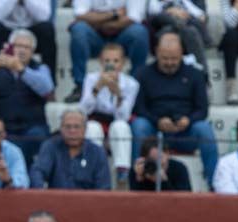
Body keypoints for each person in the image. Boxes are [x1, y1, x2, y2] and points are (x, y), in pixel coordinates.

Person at [130, 32, 217, 185]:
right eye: (165, 58)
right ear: (156, 52)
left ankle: (215, 183)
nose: (169, 62)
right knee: (139, 125)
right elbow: (138, 108)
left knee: (204, 129)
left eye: (174, 58)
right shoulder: (142, 74)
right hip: (154, 133)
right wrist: (157, 121)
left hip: (185, 131)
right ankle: (137, 177)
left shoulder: (195, 74)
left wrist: (188, 120)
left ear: (182, 53)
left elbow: (202, 110)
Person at [0, 27, 52, 165]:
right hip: (2, 128)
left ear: (32, 52)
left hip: (32, 126)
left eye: (27, 47)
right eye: (18, 46)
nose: (22, 50)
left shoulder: (40, 68)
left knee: (34, 138)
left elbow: (47, 89)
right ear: (10, 47)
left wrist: (21, 70)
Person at [65, 0, 150, 104]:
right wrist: (114, 14)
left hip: (122, 35)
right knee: (79, 30)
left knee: (139, 32)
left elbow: (133, 17)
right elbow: (80, 15)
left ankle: (135, 85)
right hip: (95, 36)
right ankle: (80, 85)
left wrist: (97, 18)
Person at [79, 42, 138, 179]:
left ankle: (122, 172)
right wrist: (97, 88)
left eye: (116, 61)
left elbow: (123, 116)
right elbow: (82, 111)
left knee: (120, 127)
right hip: (96, 119)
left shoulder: (131, 84)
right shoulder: (91, 78)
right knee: (92, 128)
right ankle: (92, 171)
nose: (111, 64)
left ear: (122, 63)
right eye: (107, 60)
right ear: (100, 61)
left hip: (116, 121)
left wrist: (118, 95)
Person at [29, 109, 112, 190]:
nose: (72, 131)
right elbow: (37, 172)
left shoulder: (97, 152)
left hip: (88, 202)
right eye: (68, 127)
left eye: (77, 127)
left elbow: (103, 187)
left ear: (85, 129)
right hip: (56, 201)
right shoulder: (50, 146)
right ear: (61, 129)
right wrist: (42, 194)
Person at [0, 0, 55, 78]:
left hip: (32, 29)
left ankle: (50, 82)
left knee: (47, 29)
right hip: (7, 29)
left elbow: (44, 16)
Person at [147, 0, 208, 73]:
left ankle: (201, 72)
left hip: (184, 27)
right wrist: (169, 11)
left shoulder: (183, 2)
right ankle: (202, 72)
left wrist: (184, 13)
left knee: (190, 31)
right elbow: (152, 13)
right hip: (162, 27)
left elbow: (200, 15)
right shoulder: (155, 2)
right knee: (167, 22)